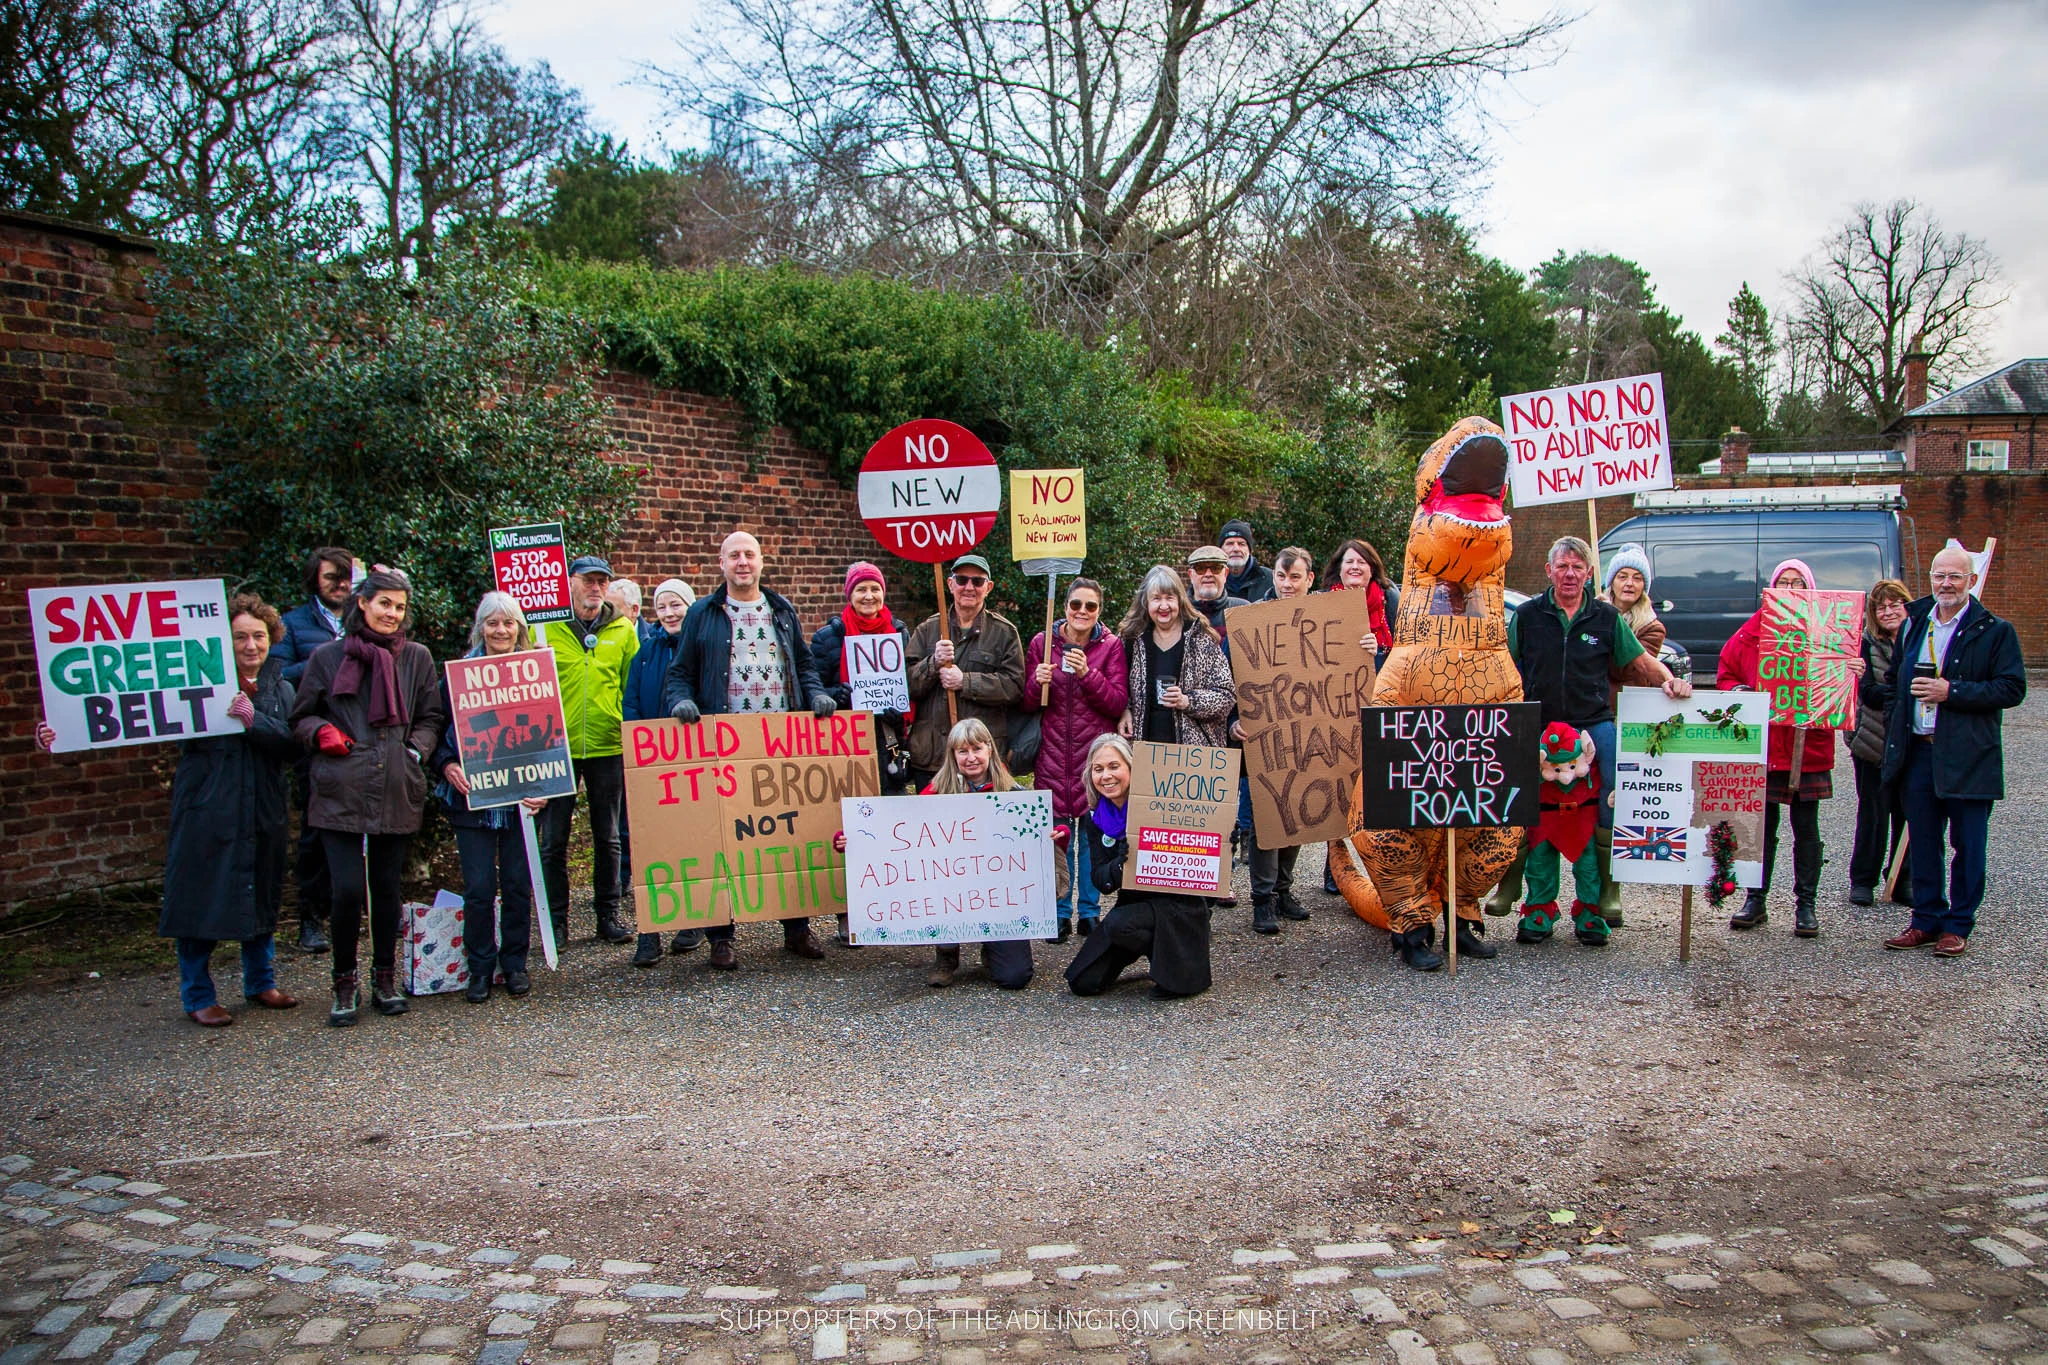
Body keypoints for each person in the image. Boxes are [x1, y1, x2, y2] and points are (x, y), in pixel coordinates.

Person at [40, 595, 303, 1026]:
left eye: (258, 636)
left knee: (261, 893)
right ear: (223, 642)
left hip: (261, 810)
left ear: (272, 639)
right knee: (199, 898)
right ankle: (198, 994)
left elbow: (293, 744)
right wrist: (62, 729)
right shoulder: (189, 681)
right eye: (239, 637)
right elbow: (126, 709)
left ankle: (261, 981)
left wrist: (253, 718)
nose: (251, 646)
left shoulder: (282, 686)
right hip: (207, 808)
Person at [1490, 536, 1692, 944]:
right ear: (1549, 571)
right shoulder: (1527, 615)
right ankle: (1519, 891)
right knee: (1517, 800)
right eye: (1562, 566)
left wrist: (1671, 681)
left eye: (1577, 567)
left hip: (1593, 723)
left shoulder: (1605, 617)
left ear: (1588, 574)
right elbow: (1503, 667)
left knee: (1615, 795)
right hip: (1539, 722)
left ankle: (1603, 896)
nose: (1569, 574)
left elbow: (1639, 660)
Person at [663, 530, 837, 969]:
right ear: (721, 564)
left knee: (787, 832)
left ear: (762, 562)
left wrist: (814, 695)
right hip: (724, 744)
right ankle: (721, 935)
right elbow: (679, 672)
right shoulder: (703, 614)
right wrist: (679, 702)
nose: (743, 562)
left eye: (750, 555)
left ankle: (795, 928)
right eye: (734, 556)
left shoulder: (781, 610)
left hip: (779, 741)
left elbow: (803, 663)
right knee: (722, 834)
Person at [288, 569, 446, 1026]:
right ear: (363, 604)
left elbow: (430, 716)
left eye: (398, 607)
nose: (391, 614)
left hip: (395, 783)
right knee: (346, 889)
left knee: (386, 888)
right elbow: (301, 717)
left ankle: (384, 977)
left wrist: (414, 751)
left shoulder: (415, 657)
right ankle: (343, 980)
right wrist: (321, 732)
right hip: (341, 784)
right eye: (384, 604)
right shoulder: (327, 657)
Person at [1880, 547, 2026, 957]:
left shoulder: (1995, 630)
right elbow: (1893, 682)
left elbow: (2012, 688)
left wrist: (1953, 691)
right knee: (1923, 842)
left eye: (1955, 577)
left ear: (1971, 581)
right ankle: (1925, 919)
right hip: (1919, 752)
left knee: (1969, 845)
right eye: (1939, 576)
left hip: (1968, 755)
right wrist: (1897, 721)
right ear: (1930, 577)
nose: (1946, 584)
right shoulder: (1914, 625)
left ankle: (1958, 924)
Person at [1717, 558, 1863, 939]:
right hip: (1765, 745)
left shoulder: (1828, 633)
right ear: (1773, 587)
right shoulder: (1752, 631)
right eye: (1785, 582)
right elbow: (1727, 672)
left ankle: (1806, 904)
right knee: (1762, 825)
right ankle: (1756, 898)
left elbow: (1841, 687)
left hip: (1806, 744)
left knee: (1806, 826)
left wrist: (1852, 672)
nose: (1792, 589)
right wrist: (1740, 694)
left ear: (1809, 589)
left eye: (1799, 583)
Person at [432, 593, 546, 1003]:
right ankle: (479, 967)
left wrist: (546, 787)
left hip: (520, 802)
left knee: (517, 885)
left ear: (520, 629)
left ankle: (514, 963)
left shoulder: (534, 675)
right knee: (479, 888)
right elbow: (434, 727)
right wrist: (447, 764)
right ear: (480, 627)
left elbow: (550, 735)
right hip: (471, 799)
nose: (501, 631)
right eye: (493, 623)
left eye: (509, 623)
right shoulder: (457, 676)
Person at [536, 554, 640, 948]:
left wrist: (628, 731)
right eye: (588, 580)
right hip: (555, 747)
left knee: (608, 836)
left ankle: (608, 914)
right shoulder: (545, 629)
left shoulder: (622, 631)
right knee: (554, 840)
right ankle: (557, 922)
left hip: (606, 743)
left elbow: (630, 688)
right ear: (570, 582)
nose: (595, 588)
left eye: (602, 581)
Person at [812, 561, 915, 945]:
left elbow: (909, 682)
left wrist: (897, 705)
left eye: (874, 589)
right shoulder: (828, 638)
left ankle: (892, 906)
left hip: (887, 741)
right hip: (846, 746)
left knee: (892, 826)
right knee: (851, 828)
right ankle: (849, 911)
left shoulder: (899, 633)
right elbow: (814, 688)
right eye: (861, 590)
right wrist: (838, 696)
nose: (869, 597)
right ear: (849, 594)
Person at [1020, 576, 1128, 941]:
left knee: (1093, 838)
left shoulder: (1110, 646)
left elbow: (1116, 701)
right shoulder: (1041, 642)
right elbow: (1028, 702)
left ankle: (1090, 912)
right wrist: (1037, 681)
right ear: (1065, 606)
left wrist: (1087, 674)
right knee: (1059, 838)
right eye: (1076, 605)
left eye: (1091, 606)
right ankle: (1060, 912)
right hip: (1052, 754)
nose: (1082, 612)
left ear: (1099, 610)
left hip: (1093, 760)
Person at [1067, 734, 1212, 1000]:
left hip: (1177, 907)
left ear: (1132, 769)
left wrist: (1224, 837)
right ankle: (1149, 949)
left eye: (1114, 766)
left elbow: (1204, 850)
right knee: (1082, 982)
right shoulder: (1095, 819)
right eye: (1098, 769)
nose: (1106, 776)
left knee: (1120, 925)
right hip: (1136, 904)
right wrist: (1122, 864)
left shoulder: (1165, 805)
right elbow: (1101, 880)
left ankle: (1169, 960)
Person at [270, 547, 355, 954]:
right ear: (313, 582)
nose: (340, 585)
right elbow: (276, 675)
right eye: (330, 577)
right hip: (318, 741)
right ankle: (311, 918)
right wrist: (326, 659)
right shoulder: (292, 624)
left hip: (362, 739)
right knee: (316, 834)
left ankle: (359, 912)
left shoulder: (364, 616)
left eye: (345, 577)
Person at [917, 719, 1041, 989]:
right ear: (953, 755)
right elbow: (900, 832)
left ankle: (991, 946)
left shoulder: (1013, 793)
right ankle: (946, 953)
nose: (971, 758)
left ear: (990, 750)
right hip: (953, 886)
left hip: (1000, 895)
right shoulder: (935, 792)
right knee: (937, 881)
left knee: (1015, 977)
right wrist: (854, 841)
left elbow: (1038, 842)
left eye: (977, 749)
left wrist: (1057, 837)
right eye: (963, 751)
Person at [1235, 548, 1317, 934]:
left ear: (1309, 579)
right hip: (1263, 737)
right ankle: (1263, 900)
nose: (1287, 584)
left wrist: (1364, 646)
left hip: (1306, 735)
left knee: (1297, 816)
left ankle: (1284, 890)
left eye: (1295, 577)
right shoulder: (1251, 621)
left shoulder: (1324, 620)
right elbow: (1229, 674)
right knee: (1268, 819)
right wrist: (1235, 719)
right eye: (1282, 577)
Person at [623, 578, 704, 964]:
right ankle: (649, 932)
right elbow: (631, 705)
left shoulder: (702, 649)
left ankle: (692, 922)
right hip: (651, 766)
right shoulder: (644, 653)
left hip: (692, 764)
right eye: (663, 607)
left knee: (692, 843)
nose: (670, 613)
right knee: (649, 848)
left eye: (677, 605)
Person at [1587, 540, 1666, 926]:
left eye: (1637, 577)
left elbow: (1626, 669)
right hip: (1586, 715)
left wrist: (1610, 629)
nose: (1629, 583)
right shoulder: (1591, 613)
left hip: (1622, 720)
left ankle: (1610, 886)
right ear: (1612, 580)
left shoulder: (1651, 626)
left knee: (1614, 798)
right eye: (1623, 575)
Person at [905, 554, 1026, 793]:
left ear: (988, 587)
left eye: (977, 581)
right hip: (934, 759)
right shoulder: (927, 630)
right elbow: (907, 686)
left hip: (982, 761)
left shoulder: (1004, 633)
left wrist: (966, 682)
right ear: (950, 584)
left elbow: (1014, 686)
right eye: (961, 580)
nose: (969, 587)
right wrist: (933, 663)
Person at [1184, 546, 1248, 908]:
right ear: (1190, 574)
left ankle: (1220, 877)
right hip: (1193, 722)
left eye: (1215, 568)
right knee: (1192, 804)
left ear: (1226, 573)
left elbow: (1259, 672)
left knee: (1226, 808)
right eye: (1200, 568)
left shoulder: (1241, 611)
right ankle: (1192, 876)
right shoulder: (1178, 612)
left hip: (1235, 725)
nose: (1208, 574)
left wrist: (1244, 717)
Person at [1848, 579, 1911, 907]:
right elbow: (1869, 692)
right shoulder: (1866, 644)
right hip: (1873, 740)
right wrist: (1904, 693)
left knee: (1909, 811)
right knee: (1873, 813)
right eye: (1881, 606)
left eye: (1894, 604)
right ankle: (1863, 879)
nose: (1888, 611)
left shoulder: (1919, 641)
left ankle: (1902, 878)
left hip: (1911, 742)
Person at [1320, 538, 1393, 656]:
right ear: (1339, 569)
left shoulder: (1389, 600)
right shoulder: (1322, 601)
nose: (1355, 567)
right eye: (1349, 562)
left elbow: (1402, 649)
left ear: (1372, 570)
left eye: (1361, 562)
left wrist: (1377, 653)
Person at [1220, 519, 1276, 603]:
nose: (1236, 549)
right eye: (1230, 543)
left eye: (1241, 544)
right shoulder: (1212, 581)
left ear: (1250, 550)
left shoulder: (1270, 579)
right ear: (1220, 549)